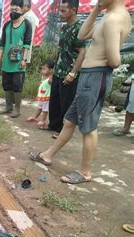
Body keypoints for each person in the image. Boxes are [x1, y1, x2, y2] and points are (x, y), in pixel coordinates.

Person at [30, 0, 132, 184]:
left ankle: (85, 172)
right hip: (88, 77)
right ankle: (48, 155)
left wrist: (101, 60)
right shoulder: (109, 15)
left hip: (96, 76)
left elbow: (115, 61)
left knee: (89, 128)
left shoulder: (113, 20)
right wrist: (96, 9)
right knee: (69, 121)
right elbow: (83, 34)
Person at [48, 0, 87, 139]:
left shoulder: (79, 28)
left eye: (64, 11)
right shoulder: (64, 27)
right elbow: (60, 50)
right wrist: (53, 70)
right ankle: (54, 126)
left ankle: (63, 131)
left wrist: (73, 73)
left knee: (66, 104)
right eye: (60, 10)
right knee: (55, 102)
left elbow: (82, 52)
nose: (60, 13)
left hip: (69, 73)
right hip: (59, 71)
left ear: (74, 10)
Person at [0, 0, 32, 118]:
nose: (13, 12)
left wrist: (24, 60)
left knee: (17, 84)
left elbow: (27, 44)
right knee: (6, 83)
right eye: (11, 10)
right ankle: (8, 106)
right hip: (7, 61)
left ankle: (17, 108)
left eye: (15, 10)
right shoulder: (7, 24)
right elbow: (2, 44)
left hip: (19, 61)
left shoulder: (26, 24)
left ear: (22, 10)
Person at [27, 60, 54, 128]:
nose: (42, 70)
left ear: (50, 70)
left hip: (46, 98)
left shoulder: (50, 79)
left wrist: (52, 75)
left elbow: (52, 82)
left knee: (45, 109)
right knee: (39, 108)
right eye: (42, 69)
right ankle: (35, 117)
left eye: (44, 69)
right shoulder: (44, 78)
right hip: (41, 97)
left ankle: (43, 120)